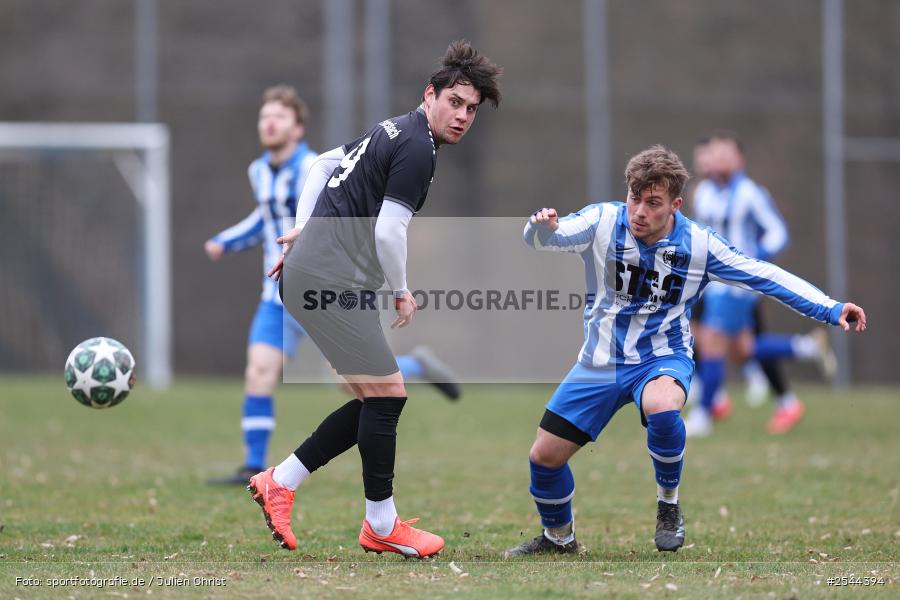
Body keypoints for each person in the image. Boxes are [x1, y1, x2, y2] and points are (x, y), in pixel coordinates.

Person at [504, 145, 866, 557]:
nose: (639, 210)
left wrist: (830, 307)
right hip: (599, 363)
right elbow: (545, 237)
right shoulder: (603, 219)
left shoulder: (699, 245)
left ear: (675, 205)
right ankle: (559, 540)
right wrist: (541, 226)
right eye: (634, 198)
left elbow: (763, 275)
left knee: (662, 405)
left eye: (653, 203)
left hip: (663, 356)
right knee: (544, 457)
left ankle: (668, 505)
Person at [247, 40, 502, 558]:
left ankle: (281, 482)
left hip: (316, 274)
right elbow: (389, 231)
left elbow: (320, 164)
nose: (462, 116)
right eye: (454, 102)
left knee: (375, 399)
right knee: (387, 396)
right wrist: (401, 292)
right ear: (430, 95)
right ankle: (379, 524)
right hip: (328, 279)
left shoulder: (395, 127)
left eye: (471, 109)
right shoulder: (417, 148)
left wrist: (303, 228)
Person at [204, 86, 462, 486]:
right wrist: (226, 240)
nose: (269, 123)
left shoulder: (313, 164)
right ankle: (255, 468)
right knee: (259, 372)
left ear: (298, 128)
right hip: (277, 289)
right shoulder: (258, 171)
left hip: (324, 280)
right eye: (264, 116)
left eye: (279, 117)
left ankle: (414, 368)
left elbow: (382, 222)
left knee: (355, 387)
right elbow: (264, 219)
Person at [684, 132, 836, 438]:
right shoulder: (704, 194)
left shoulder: (751, 194)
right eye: (714, 154)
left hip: (737, 286)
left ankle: (703, 415)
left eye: (726, 154)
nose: (718, 160)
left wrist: (753, 261)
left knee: (711, 342)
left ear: (739, 160)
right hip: (711, 283)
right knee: (742, 350)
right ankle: (805, 347)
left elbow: (778, 233)